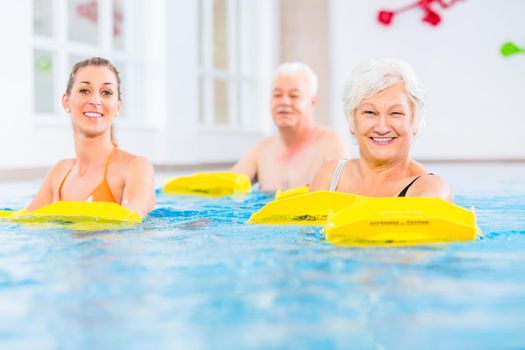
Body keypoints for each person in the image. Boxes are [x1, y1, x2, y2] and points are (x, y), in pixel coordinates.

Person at [26, 57, 156, 217]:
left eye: (106, 93)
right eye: (84, 90)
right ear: (66, 102)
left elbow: (136, 213)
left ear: (118, 106)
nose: (95, 100)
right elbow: (21, 219)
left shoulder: (135, 167)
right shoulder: (59, 172)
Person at [310, 58, 452, 200]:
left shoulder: (428, 189)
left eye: (396, 113)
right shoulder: (330, 176)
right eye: (370, 113)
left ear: (415, 123)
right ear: (352, 122)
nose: (382, 128)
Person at [232, 62, 349, 191]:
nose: (284, 102)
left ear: (312, 102)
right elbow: (225, 186)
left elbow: (347, 193)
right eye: (277, 95)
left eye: (294, 96)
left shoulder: (329, 142)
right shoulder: (262, 150)